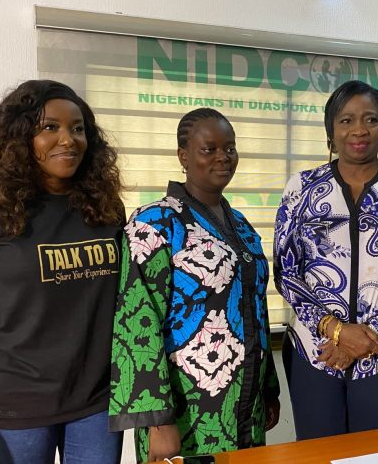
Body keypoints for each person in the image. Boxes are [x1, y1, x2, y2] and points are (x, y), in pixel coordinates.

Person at [0, 80, 125, 463]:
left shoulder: (105, 208)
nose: (68, 140)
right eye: (49, 127)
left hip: (96, 400)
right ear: (19, 137)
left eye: (78, 128)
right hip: (14, 406)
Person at [109, 108, 280, 462]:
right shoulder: (153, 224)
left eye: (230, 148)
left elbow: (256, 310)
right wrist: (158, 421)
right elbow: (137, 324)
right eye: (209, 149)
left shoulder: (242, 225)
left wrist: (268, 388)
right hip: (185, 410)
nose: (223, 157)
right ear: (183, 156)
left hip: (245, 405)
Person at [274, 80, 378, 439]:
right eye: (346, 120)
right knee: (316, 453)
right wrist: (336, 330)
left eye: (371, 120)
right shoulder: (300, 188)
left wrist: (370, 334)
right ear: (331, 130)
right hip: (314, 351)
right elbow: (286, 272)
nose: (359, 130)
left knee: (372, 454)